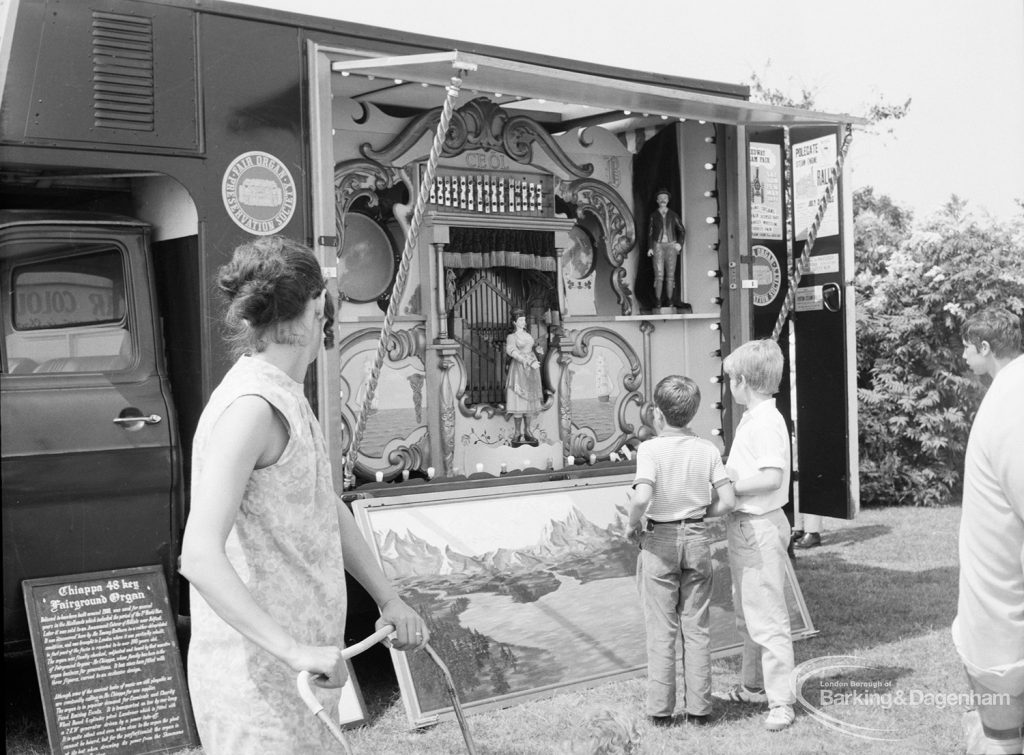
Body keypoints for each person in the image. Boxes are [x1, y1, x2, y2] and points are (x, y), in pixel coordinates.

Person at [179, 236, 429, 754]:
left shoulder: (287, 396)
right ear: (318, 308)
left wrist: (388, 596)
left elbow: (324, 506)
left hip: (307, 675)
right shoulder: (250, 407)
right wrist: (293, 650)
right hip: (259, 689)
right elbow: (199, 556)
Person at [625, 375, 736, 727]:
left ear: (657, 414)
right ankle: (700, 709)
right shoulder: (706, 449)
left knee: (661, 628)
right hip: (697, 539)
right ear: (692, 413)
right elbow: (728, 500)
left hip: (659, 541)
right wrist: (703, 513)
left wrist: (631, 525)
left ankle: (661, 710)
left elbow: (642, 496)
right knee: (697, 626)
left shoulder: (650, 450)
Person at [952, 307, 1024, 755]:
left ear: (985, 348)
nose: (961, 357)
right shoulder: (1009, 392)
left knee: (1001, 741)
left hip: (1003, 618)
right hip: (1001, 609)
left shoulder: (1010, 402)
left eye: (966, 347)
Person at [715, 338, 796, 731]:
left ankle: (782, 702)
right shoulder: (757, 416)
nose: (728, 383)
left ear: (743, 380)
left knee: (767, 617)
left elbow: (771, 478)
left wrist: (727, 484)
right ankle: (753, 687)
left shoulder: (764, 421)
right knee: (750, 613)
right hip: (750, 526)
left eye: (730, 377)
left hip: (757, 525)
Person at [506, 308, 543, 447]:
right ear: (514, 322)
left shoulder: (528, 335)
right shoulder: (512, 337)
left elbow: (530, 348)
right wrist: (527, 361)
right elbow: (512, 351)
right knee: (519, 398)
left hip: (532, 368)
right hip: (520, 368)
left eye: (524, 319)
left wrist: (537, 351)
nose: (523, 322)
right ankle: (517, 432)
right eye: (520, 320)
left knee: (530, 398)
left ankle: (527, 430)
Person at [646, 189, 686, 309]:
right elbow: (650, 233)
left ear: (668, 200)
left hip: (671, 245)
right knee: (658, 275)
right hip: (658, 245)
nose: (663, 200)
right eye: (661, 198)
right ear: (657, 200)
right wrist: (650, 247)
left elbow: (682, 230)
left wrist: (679, 243)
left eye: (665, 198)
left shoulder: (673, 215)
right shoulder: (653, 215)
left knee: (670, 275)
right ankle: (658, 300)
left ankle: (670, 300)